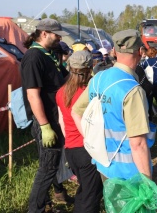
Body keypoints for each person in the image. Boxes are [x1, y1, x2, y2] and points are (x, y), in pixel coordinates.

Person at [72, 29, 153, 180]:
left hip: (103, 165)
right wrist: (147, 183)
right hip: (130, 173)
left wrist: (90, 140)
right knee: (136, 204)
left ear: (114, 51)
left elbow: (76, 112)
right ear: (140, 51)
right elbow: (138, 144)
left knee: (112, 204)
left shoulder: (97, 78)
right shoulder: (132, 90)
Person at [21, 18, 73, 212]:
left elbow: (64, 80)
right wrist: (44, 126)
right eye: (56, 35)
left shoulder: (48, 55)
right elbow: (33, 95)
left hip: (55, 118)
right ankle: (35, 209)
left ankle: (48, 203)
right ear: (43, 33)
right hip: (47, 121)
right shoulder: (34, 57)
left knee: (51, 166)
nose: (59, 39)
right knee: (47, 168)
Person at [56, 51, 103, 213]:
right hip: (87, 149)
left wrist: (69, 139)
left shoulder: (61, 92)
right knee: (91, 196)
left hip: (71, 149)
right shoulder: (89, 92)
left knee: (85, 191)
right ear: (90, 68)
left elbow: (61, 121)